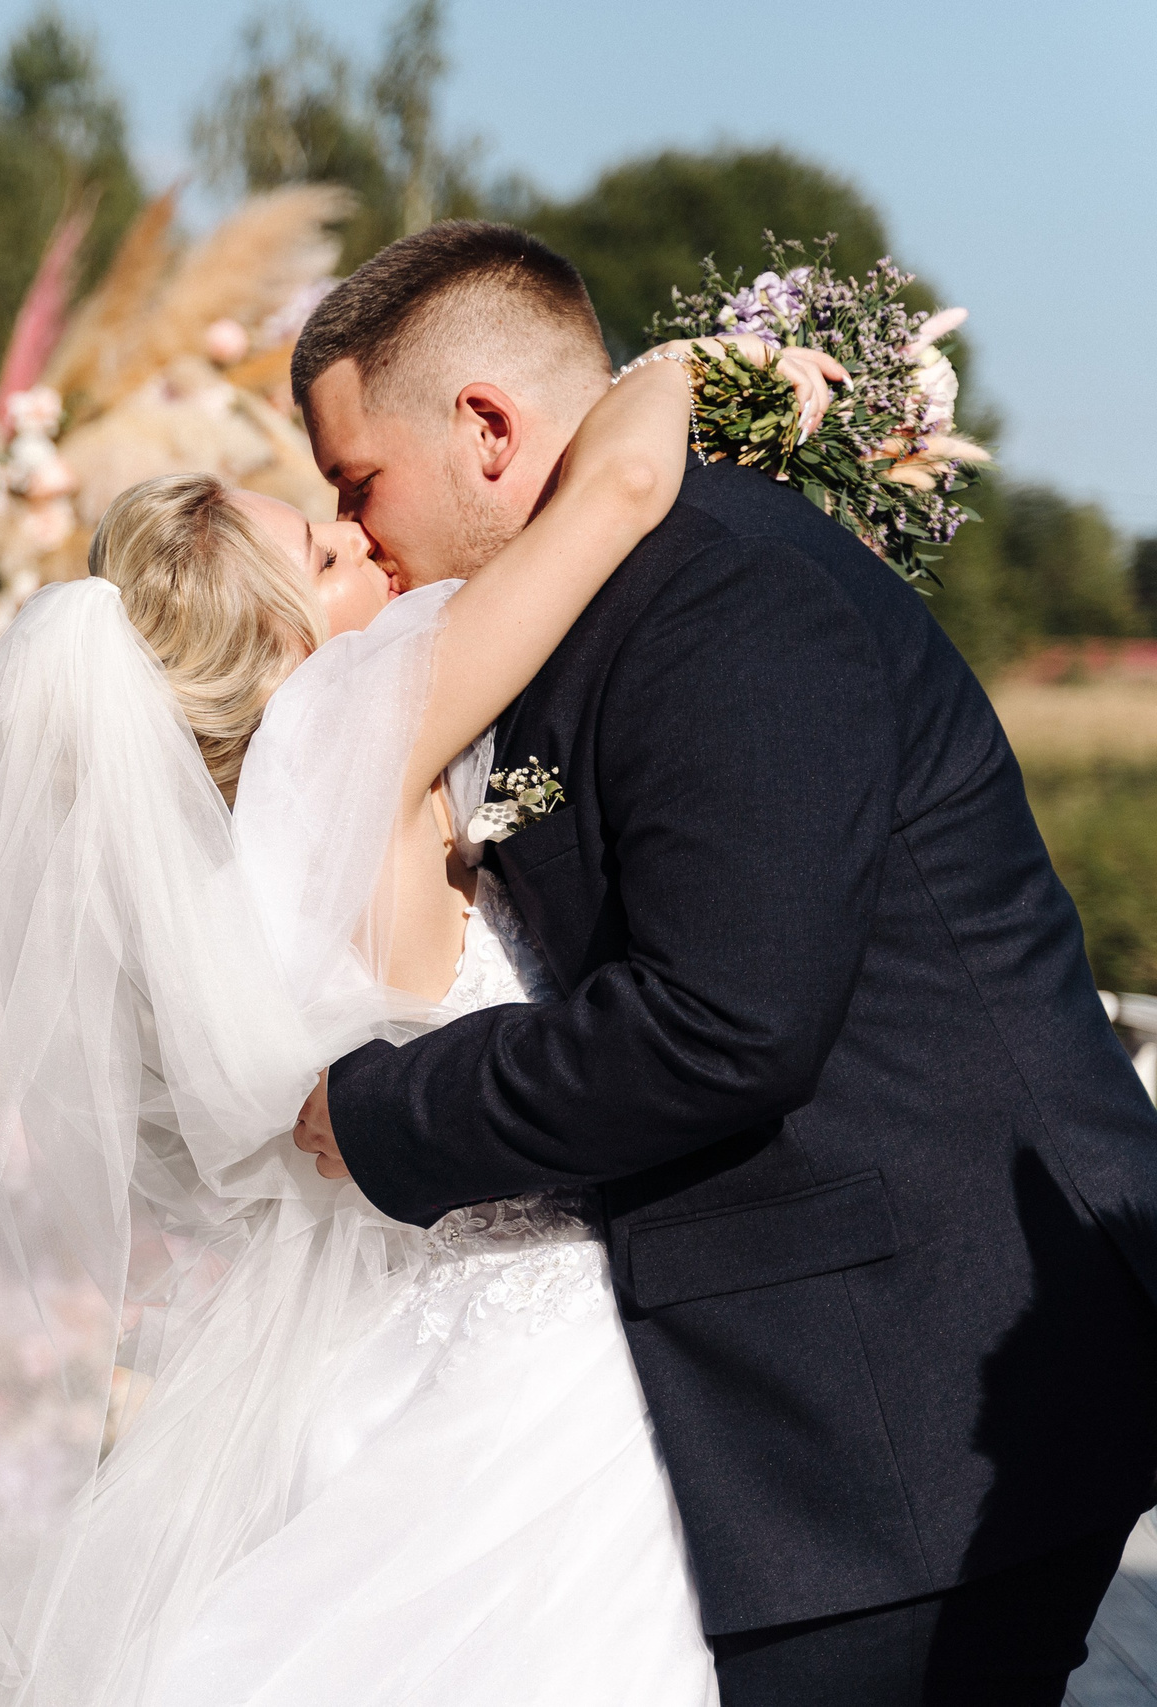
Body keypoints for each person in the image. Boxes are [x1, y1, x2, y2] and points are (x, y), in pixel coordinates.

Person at [0, 261, 837, 1703]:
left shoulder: (237, 846)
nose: (370, 546)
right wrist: (684, 372)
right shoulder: (363, 719)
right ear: (282, 643)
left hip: (398, 1335)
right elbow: (611, 499)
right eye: (324, 547)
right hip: (550, 1351)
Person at [291, 221, 1157, 1706]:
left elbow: (724, 1023)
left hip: (901, 1393)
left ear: (487, 430)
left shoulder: (725, 597)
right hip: (811, 1392)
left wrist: (369, 1115)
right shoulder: (597, 604)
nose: (358, 531)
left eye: (358, 482)